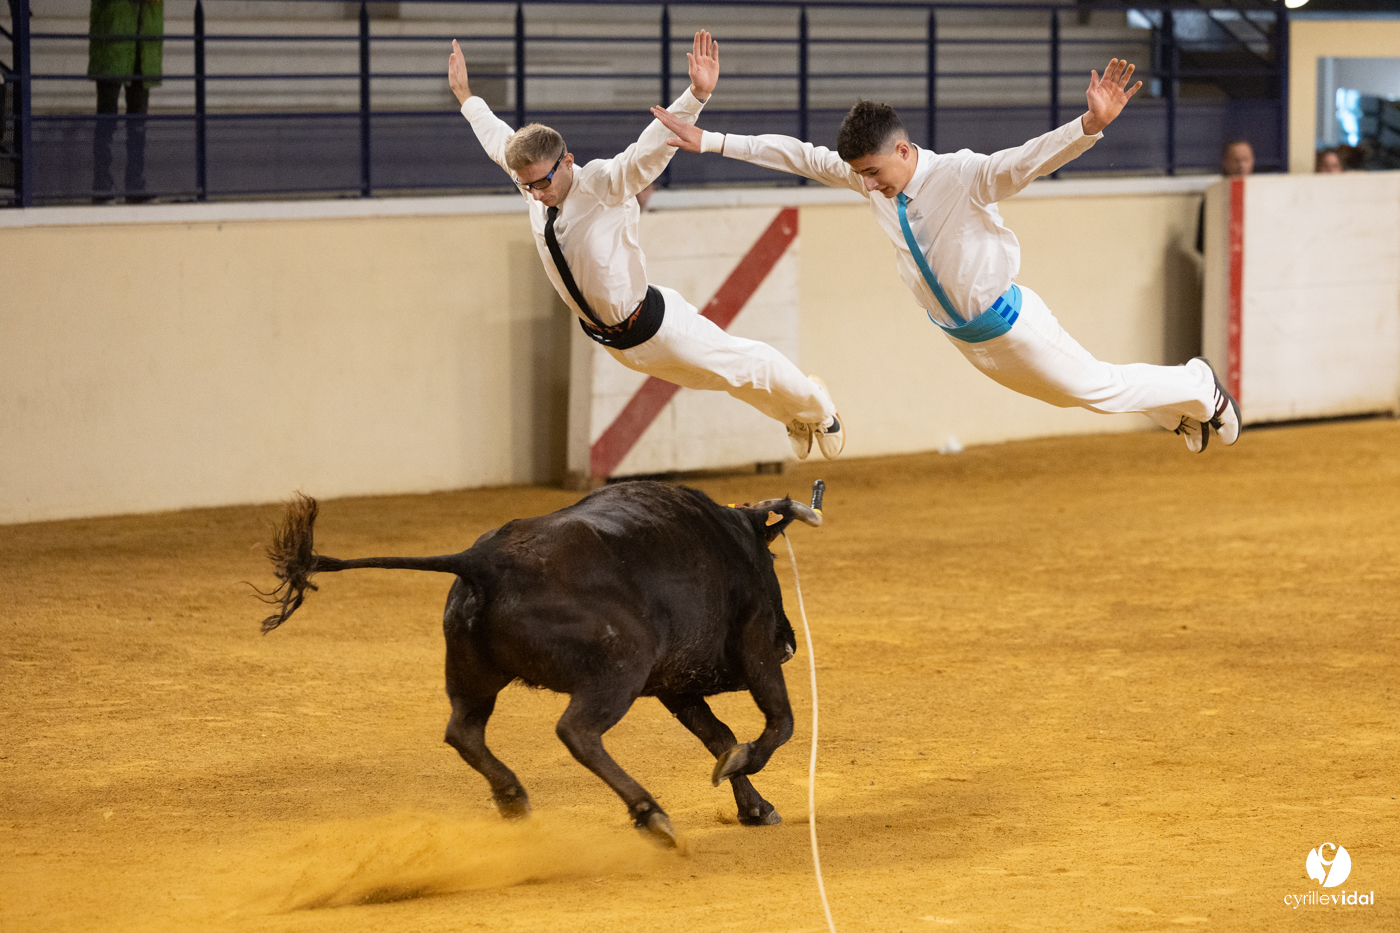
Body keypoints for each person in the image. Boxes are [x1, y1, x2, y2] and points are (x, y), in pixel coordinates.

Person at [652, 59, 1239, 453]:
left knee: (1095, 388)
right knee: (1081, 394)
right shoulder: (868, 177)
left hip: (1012, 324)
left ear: (904, 151)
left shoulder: (961, 174)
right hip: (966, 338)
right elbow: (799, 156)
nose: (870, 186)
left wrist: (1088, 125)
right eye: (862, 175)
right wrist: (710, 140)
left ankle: (1196, 385)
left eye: (875, 172)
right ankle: (1178, 409)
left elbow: (1025, 161)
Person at [447, 32, 843, 460]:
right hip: (617, 344)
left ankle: (820, 409)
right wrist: (467, 96)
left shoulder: (599, 183)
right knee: (721, 379)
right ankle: (793, 413)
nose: (536, 193)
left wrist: (696, 95)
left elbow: (644, 153)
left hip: (655, 324)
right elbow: (495, 139)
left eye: (542, 182)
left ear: (567, 160)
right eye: (526, 185)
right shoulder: (533, 185)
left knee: (739, 366)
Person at [88, 0, 163, 203]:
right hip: (112, 45)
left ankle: (135, 187)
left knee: (138, 123)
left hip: (144, 48)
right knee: (107, 119)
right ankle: (102, 187)